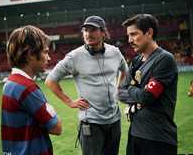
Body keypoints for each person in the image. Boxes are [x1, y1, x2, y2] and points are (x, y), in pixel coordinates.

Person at [45, 15, 128, 155]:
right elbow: (50, 80)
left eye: (93, 30)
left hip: (115, 120)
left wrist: (118, 88)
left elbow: (125, 70)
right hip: (91, 123)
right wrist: (70, 102)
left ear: (103, 32)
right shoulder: (74, 57)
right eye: (86, 30)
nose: (88, 34)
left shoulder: (115, 52)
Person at [120, 14, 178, 155]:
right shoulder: (136, 61)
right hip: (135, 134)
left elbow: (147, 96)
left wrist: (133, 89)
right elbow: (120, 92)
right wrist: (138, 93)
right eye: (128, 36)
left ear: (149, 33)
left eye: (134, 34)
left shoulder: (164, 59)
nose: (130, 40)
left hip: (158, 138)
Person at [1, 25, 62, 155]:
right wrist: (49, 108)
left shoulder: (10, 82)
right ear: (30, 54)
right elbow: (56, 127)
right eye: (45, 52)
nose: (49, 57)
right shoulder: (27, 88)